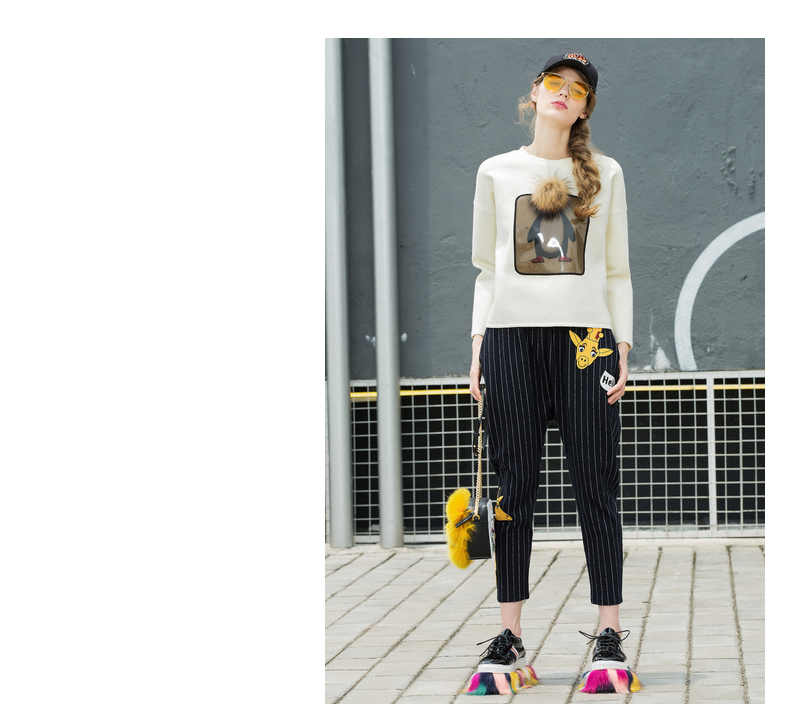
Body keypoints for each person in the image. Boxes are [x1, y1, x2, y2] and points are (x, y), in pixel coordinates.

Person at [466, 53, 640, 694]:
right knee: (513, 490)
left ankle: (609, 633)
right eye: (554, 83)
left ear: (586, 106)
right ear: (534, 94)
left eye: (578, 89)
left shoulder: (606, 173)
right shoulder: (496, 171)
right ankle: (510, 637)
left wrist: (623, 345)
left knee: (596, 485)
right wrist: (478, 344)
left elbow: (617, 270)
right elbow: (487, 271)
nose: (564, 92)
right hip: (510, 341)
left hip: (585, 344)